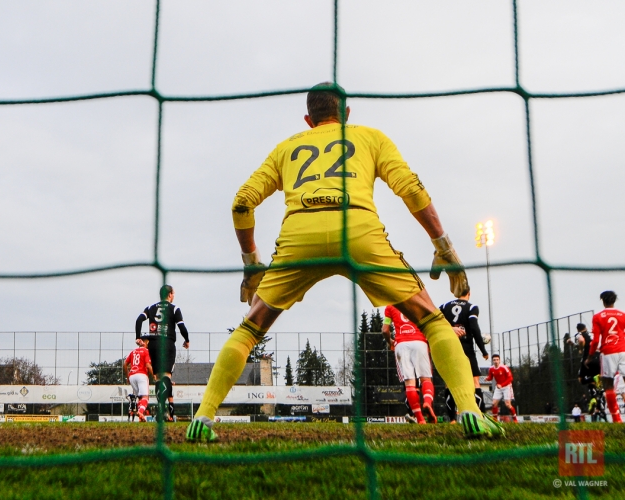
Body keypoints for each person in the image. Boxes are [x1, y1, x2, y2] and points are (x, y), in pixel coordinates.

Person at [185, 82, 503, 442]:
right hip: (359, 231)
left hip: (300, 234)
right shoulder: (370, 137)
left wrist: (250, 263)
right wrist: (444, 246)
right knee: (431, 319)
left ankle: (203, 418)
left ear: (309, 119)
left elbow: (241, 203)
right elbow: (412, 189)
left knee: (250, 329)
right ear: (347, 113)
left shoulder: (286, 148)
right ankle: (469, 412)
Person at [135, 285, 190, 422]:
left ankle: (160, 409)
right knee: (167, 376)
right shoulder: (174, 308)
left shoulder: (150, 308)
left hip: (153, 345)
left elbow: (139, 320)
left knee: (158, 378)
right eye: (174, 293)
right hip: (167, 343)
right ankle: (168, 411)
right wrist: (186, 339)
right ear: (170, 294)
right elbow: (181, 326)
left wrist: (138, 336)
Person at [382, 304, 436, 423]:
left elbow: (385, 330)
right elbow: (430, 323)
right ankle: (427, 403)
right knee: (426, 380)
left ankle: (420, 419)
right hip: (419, 342)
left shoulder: (390, 306)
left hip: (401, 344)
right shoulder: (416, 300)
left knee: (410, 385)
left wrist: (390, 341)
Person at [440, 289, 489, 412]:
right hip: (466, 346)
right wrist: (483, 350)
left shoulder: (445, 306)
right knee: (475, 381)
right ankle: (482, 415)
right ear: (469, 293)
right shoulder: (472, 307)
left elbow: (435, 319)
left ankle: (452, 419)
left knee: (449, 382)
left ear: (456, 293)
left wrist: (450, 328)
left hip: (450, 345)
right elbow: (474, 327)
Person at [588, 290, 625, 423]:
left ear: (603, 301)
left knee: (608, 384)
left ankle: (616, 419)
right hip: (623, 350)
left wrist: (590, 356)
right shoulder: (623, 315)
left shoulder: (598, 317)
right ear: (614, 301)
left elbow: (596, 340)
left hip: (608, 352)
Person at [123, 338, 154, 422]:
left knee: (140, 398)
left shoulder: (133, 352)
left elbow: (125, 364)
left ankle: (141, 417)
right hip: (141, 375)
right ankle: (140, 412)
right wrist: (153, 375)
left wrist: (128, 376)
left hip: (132, 376)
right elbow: (148, 365)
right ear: (146, 343)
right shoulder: (146, 351)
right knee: (145, 397)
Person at [485, 354, 517, 423]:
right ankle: (495, 421)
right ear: (492, 361)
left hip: (507, 387)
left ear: (499, 360)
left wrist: (502, 385)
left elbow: (510, 378)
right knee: (494, 404)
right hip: (498, 387)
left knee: (508, 404)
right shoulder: (491, 369)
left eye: (497, 360)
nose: (496, 361)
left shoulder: (504, 367)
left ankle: (515, 420)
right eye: (494, 360)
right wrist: (487, 379)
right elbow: (490, 377)